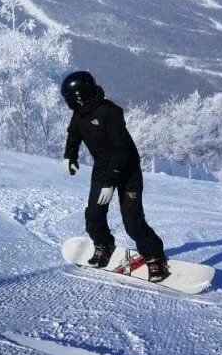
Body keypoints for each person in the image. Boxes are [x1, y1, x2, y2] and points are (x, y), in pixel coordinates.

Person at [61, 70, 169, 282]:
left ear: (80, 96)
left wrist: (111, 181)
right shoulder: (79, 114)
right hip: (102, 168)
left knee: (132, 221)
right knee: (93, 215)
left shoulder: (111, 112)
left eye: (70, 98)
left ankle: (155, 257)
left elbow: (122, 149)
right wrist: (69, 155)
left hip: (127, 170)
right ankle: (104, 245)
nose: (68, 103)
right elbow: (73, 134)